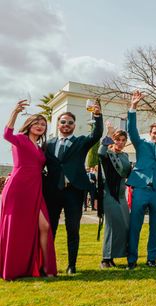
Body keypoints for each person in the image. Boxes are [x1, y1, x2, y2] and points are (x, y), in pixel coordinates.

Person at [44, 102, 103, 274]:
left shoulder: (81, 142)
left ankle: (72, 265)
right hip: (53, 192)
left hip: (74, 192)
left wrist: (97, 116)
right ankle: (48, 264)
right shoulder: (48, 144)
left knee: (72, 229)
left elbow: (97, 134)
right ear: (58, 124)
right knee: (50, 229)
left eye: (70, 122)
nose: (66, 125)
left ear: (74, 126)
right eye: (63, 122)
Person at [0, 102, 57, 280]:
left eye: (43, 124)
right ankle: (12, 268)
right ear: (29, 125)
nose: (40, 126)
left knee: (45, 226)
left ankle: (47, 269)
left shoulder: (41, 148)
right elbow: (6, 134)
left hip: (35, 190)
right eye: (36, 123)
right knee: (16, 228)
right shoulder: (20, 139)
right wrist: (15, 112)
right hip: (18, 189)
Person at [126, 90, 156, 270]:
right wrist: (134, 106)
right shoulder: (141, 144)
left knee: (155, 227)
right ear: (150, 133)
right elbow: (131, 130)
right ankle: (132, 260)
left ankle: (151, 259)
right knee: (135, 225)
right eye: (154, 132)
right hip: (140, 189)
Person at [97, 124, 132, 268]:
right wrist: (108, 134)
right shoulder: (107, 154)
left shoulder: (125, 155)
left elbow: (128, 173)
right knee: (111, 226)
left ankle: (113, 256)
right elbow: (99, 152)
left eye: (123, 140)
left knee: (124, 225)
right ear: (113, 140)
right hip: (109, 194)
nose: (120, 143)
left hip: (122, 195)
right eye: (118, 139)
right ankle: (105, 259)